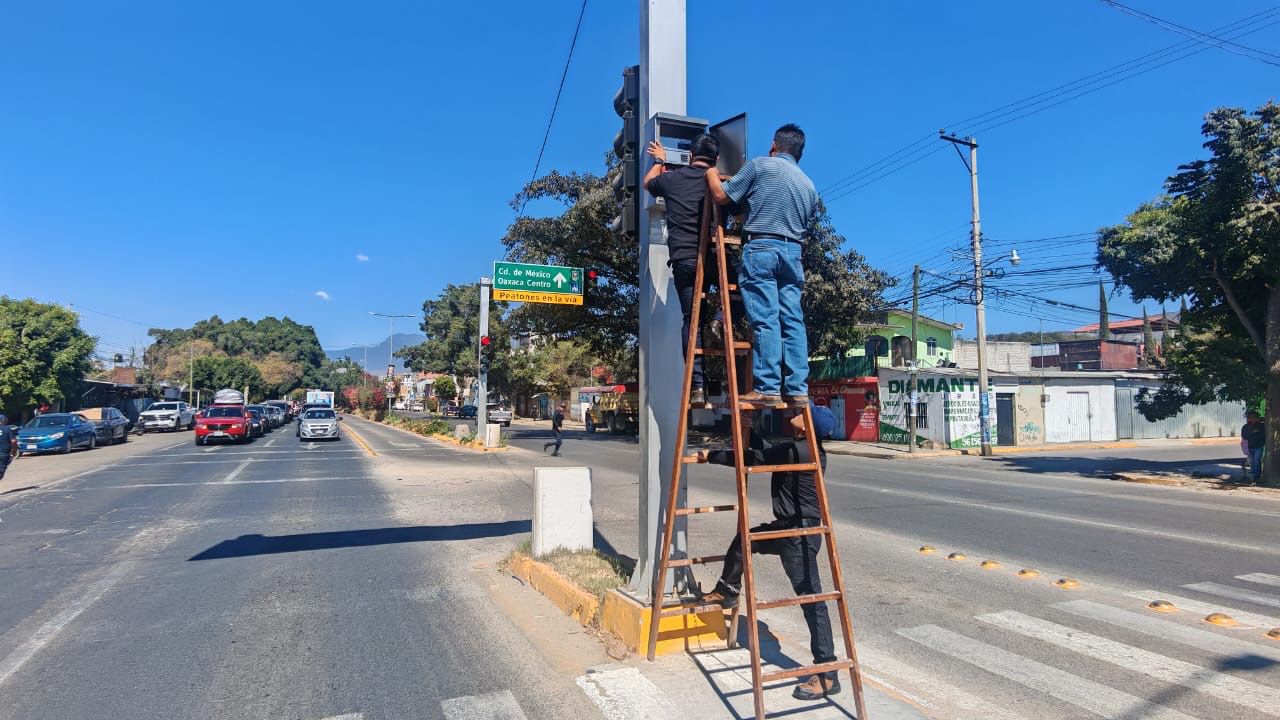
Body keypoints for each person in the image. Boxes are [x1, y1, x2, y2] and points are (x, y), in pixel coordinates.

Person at [697, 405, 841, 701]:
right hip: (787, 529)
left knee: (812, 600)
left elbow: (755, 458)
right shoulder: (802, 449)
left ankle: (827, 673)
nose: (794, 414)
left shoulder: (800, 451)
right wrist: (754, 429)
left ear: (807, 427)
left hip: (799, 536)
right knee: (746, 540)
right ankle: (727, 590)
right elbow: (770, 450)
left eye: (802, 413)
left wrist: (709, 455)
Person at [706, 124, 820, 406]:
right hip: (793, 253)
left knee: (765, 319)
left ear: (773, 145)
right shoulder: (809, 186)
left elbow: (722, 196)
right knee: (793, 321)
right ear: (799, 153)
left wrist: (710, 172)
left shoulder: (760, 166)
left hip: (762, 248)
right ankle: (797, 389)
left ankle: (767, 387)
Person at [644, 133, 727, 406]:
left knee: (691, 322)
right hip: (717, 259)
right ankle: (720, 316)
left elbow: (648, 182)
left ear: (691, 156)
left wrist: (660, 160)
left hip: (684, 260)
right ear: (715, 160)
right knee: (745, 290)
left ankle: (698, 387)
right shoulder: (719, 181)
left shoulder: (672, 179)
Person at [1242, 410, 1266, 482]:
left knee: (1257, 460)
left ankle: (1257, 476)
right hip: (1250, 447)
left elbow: (1263, 435)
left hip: (1259, 446)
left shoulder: (1261, 426)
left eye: (1254, 417)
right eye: (1250, 417)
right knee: (1252, 461)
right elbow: (1244, 436)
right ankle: (1254, 474)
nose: (1252, 419)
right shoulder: (1245, 427)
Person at [0, 413, 15, 482]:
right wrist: (13, 451)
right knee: (1, 470)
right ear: (4, 421)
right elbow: (13, 441)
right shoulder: (7, 429)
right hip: (4, 454)